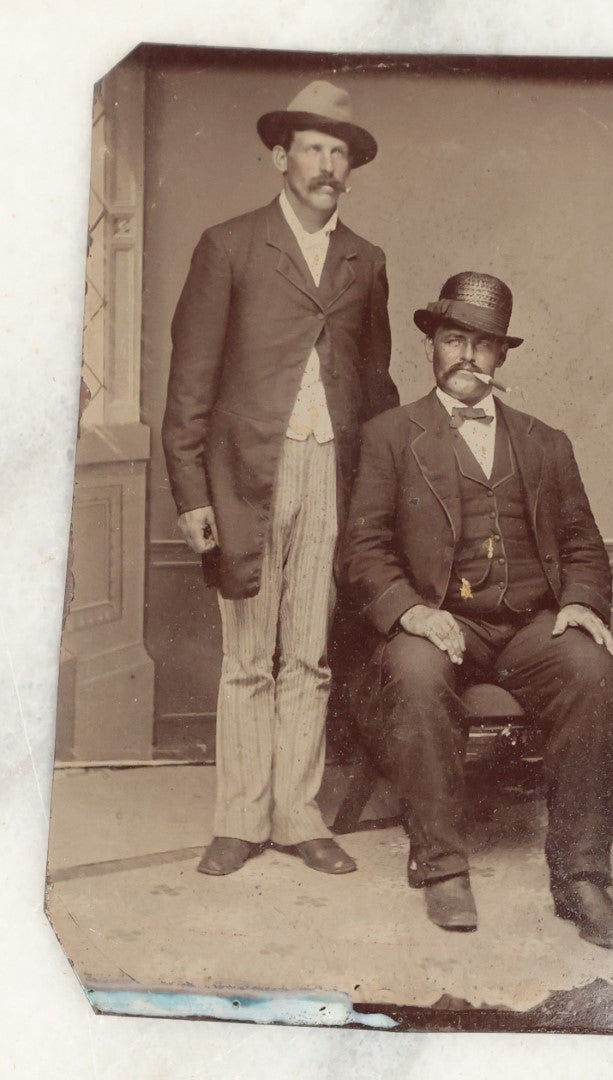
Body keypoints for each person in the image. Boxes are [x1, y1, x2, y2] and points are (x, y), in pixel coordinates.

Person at [341, 271, 613, 949]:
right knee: (414, 674)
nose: (467, 356)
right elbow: (362, 549)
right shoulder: (389, 435)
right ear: (431, 349)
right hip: (441, 620)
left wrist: (583, 604)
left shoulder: (545, 442)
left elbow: (581, 542)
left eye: (482, 343)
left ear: (501, 356)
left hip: (532, 623)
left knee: (593, 672)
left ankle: (580, 876)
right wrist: (411, 612)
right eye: (454, 339)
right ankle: (443, 865)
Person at [162, 81, 398, 878]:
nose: (329, 164)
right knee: (246, 657)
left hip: (333, 470)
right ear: (280, 156)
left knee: (311, 655)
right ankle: (239, 818)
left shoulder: (367, 261)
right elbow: (189, 384)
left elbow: (377, 387)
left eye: (341, 152)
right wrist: (192, 492)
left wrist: (380, 491)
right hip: (243, 476)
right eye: (315, 148)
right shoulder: (228, 245)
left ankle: (297, 817)